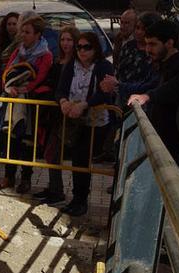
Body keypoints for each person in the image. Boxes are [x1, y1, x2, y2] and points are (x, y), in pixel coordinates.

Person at [55, 31, 115, 216]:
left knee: (82, 158)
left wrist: (85, 104)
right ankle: (78, 199)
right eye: (79, 47)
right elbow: (61, 89)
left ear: (95, 48)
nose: (82, 51)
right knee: (78, 159)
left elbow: (104, 92)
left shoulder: (103, 66)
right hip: (75, 120)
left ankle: (80, 200)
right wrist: (64, 101)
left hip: (96, 121)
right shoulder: (71, 65)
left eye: (86, 47)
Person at [0, 15, 53, 193]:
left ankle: (26, 178)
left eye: (28, 32)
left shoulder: (45, 55)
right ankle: (9, 175)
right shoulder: (17, 51)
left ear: (37, 34)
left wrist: (23, 88)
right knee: (9, 139)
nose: (24, 35)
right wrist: (9, 87)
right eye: (23, 31)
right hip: (13, 102)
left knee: (28, 142)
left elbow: (41, 76)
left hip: (31, 104)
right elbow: (7, 73)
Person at [34, 25, 80, 205]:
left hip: (66, 114)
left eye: (69, 40)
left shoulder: (75, 64)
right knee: (50, 152)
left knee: (53, 152)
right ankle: (54, 187)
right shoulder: (58, 60)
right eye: (63, 39)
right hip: (52, 112)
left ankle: (58, 191)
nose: (66, 43)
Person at [128, 20, 179, 161]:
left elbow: (173, 88)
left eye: (153, 44)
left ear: (169, 43)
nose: (148, 49)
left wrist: (147, 96)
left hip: (173, 148)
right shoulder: (161, 64)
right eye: (147, 44)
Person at [102, 12, 162, 108]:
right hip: (121, 98)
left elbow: (149, 85)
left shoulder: (156, 54)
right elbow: (118, 68)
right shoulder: (128, 46)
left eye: (143, 29)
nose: (138, 32)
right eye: (137, 28)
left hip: (141, 103)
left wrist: (119, 85)